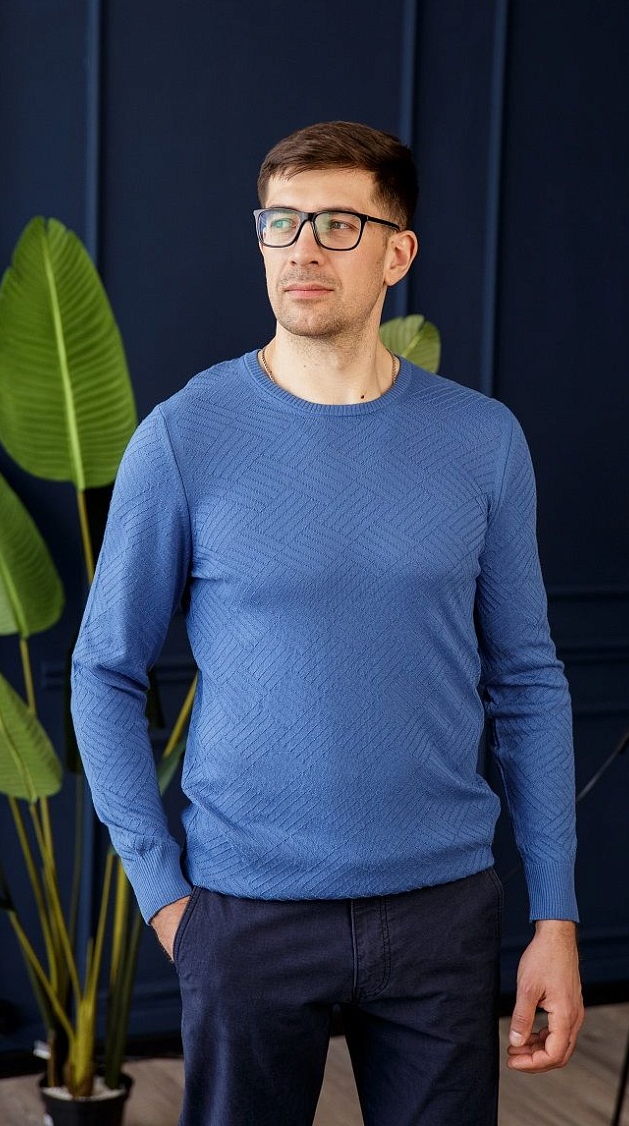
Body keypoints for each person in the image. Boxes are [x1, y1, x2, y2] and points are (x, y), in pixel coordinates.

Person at [71, 120, 584, 1126]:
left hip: (442, 909)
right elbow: (104, 672)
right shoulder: (183, 438)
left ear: (398, 253)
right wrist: (166, 898)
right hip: (245, 915)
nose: (303, 248)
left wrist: (555, 914)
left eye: (339, 224)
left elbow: (528, 680)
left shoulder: (483, 441)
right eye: (282, 222)